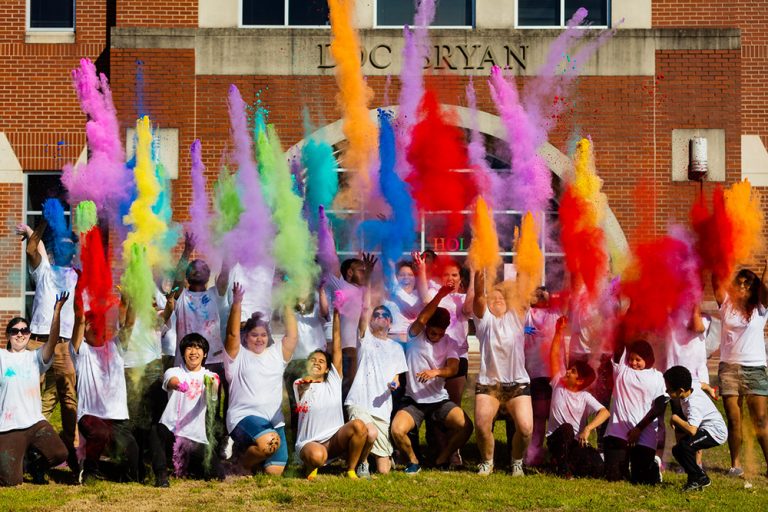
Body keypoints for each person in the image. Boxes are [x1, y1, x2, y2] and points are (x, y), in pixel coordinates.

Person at [390, 287, 474, 474]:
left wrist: (435, 372)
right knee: (397, 430)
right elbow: (421, 318)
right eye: (433, 332)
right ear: (427, 327)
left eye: (440, 333)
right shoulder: (415, 335)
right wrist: (440, 295)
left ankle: (442, 458)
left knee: (466, 426)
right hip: (413, 401)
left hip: (438, 400)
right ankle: (413, 462)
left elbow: (453, 368)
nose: (436, 337)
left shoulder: (450, 342)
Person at [18, 220, 79, 472]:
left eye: (69, 247)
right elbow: (32, 248)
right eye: (60, 246)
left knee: (68, 400)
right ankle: (28, 450)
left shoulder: (77, 274)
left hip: (63, 345)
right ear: (53, 250)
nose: (65, 250)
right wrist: (42, 223)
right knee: (30, 396)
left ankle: (71, 452)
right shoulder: (43, 269)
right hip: (37, 342)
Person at [224, 283, 297, 475]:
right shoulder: (237, 356)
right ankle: (240, 465)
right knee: (269, 444)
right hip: (243, 417)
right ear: (245, 337)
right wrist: (237, 303)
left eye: (263, 335)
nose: (259, 339)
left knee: (274, 473)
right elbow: (231, 333)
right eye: (254, 335)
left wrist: (287, 301)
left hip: (273, 421)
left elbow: (292, 336)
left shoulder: (276, 354)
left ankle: (248, 457)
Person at [70, 290, 139, 483]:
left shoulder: (115, 346)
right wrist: (80, 295)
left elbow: (130, 323)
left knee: (132, 451)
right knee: (100, 433)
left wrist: (131, 300)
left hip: (116, 415)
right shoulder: (80, 350)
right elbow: (79, 321)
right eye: (91, 324)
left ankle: (117, 473)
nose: (96, 327)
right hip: (89, 414)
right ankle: (89, 470)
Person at [294, 310, 368, 480]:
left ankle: (350, 469)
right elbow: (302, 386)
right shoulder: (299, 383)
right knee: (317, 456)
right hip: (310, 443)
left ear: (328, 368)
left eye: (321, 362)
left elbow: (337, 349)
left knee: (359, 425)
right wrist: (306, 382)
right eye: (312, 361)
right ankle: (311, 465)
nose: (317, 363)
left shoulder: (334, 381)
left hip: (335, 440)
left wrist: (336, 316)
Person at [472, 271, 532, 477]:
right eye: (492, 298)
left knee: (525, 429)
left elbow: (523, 296)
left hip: (517, 384)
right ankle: (487, 462)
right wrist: (479, 284)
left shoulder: (516, 318)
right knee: (481, 425)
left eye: (501, 298)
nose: (496, 300)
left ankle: (516, 462)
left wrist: (523, 272)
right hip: (489, 384)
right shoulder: (484, 321)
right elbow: (479, 298)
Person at [0, 307, 69, 486]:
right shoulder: (2, 358)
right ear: (8, 335)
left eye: (24, 330)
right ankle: (20, 459)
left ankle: (35, 465)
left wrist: (56, 313)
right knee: (11, 482)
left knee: (60, 453)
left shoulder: (35, 358)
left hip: (35, 423)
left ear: (29, 334)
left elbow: (52, 341)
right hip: (9, 426)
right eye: (15, 331)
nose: (20, 334)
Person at [712, 266, 768, 477]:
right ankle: (735, 464)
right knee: (734, 420)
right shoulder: (726, 303)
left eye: (748, 283)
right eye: (740, 283)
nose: (743, 287)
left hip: (755, 369)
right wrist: (719, 251)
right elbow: (716, 277)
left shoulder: (761, 307)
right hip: (729, 370)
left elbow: (766, 283)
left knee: (761, 420)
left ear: (755, 288)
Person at [345, 298, 408, 477]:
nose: (380, 317)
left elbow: (397, 377)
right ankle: (362, 463)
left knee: (384, 470)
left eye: (385, 315)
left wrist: (394, 384)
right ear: (371, 320)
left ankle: (382, 457)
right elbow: (364, 312)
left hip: (382, 408)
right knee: (370, 433)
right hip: (359, 401)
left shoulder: (397, 348)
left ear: (390, 322)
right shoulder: (365, 340)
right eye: (376, 315)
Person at [167, 233, 230, 411]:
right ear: (187, 275)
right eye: (193, 268)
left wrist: (227, 251)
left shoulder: (214, 295)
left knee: (213, 405)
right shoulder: (182, 297)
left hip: (212, 360)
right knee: (186, 404)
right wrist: (187, 251)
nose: (197, 270)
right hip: (186, 361)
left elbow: (225, 275)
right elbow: (176, 283)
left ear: (208, 275)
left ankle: (217, 436)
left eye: (202, 268)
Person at [150, 333, 221, 487]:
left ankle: (188, 469)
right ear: (183, 353)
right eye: (189, 348)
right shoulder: (175, 371)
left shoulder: (210, 375)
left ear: (205, 354)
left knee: (216, 474)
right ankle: (161, 476)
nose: (193, 352)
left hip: (195, 439)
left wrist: (211, 385)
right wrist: (178, 385)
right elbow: (170, 381)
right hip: (172, 434)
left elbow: (214, 387)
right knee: (156, 431)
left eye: (198, 348)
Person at [545, 317, 610, 478]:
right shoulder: (558, 383)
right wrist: (559, 332)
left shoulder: (585, 397)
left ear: (580, 380)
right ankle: (563, 469)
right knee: (567, 428)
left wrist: (588, 429)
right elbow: (554, 355)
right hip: (556, 440)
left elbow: (605, 412)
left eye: (572, 371)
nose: (567, 372)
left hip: (575, 442)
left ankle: (565, 463)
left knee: (598, 467)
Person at [603, 338, 667, 484]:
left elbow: (660, 406)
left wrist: (638, 429)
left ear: (648, 359)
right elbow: (619, 348)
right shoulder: (621, 370)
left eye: (638, 360)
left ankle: (654, 467)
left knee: (642, 480)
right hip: (617, 434)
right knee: (614, 477)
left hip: (644, 434)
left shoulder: (657, 377)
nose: (633, 363)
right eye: (631, 359)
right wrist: (626, 329)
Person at [664, 365, 728, 492]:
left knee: (685, 447)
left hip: (716, 432)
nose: (666, 391)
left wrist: (675, 418)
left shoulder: (693, 405)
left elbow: (692, 430)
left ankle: (700, 477)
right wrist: (710, 390)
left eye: (669, 390)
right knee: (678, 450)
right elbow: (702, 384)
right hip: (705, 428)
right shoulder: (691, 385)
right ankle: (696, 478)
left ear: (681, 390)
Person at [284, 286, 329, 441]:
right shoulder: (289, 305)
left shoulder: (317, 301)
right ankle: (299, 443)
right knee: (298, 406)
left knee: (318, 404)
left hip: (316, 363)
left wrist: (321, 289)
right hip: (296, 362)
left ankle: (319, 440)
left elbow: (325, 312)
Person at [524, 286, 562, 466]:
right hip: (536, 373)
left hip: (555, 373)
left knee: (556, 416)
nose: (540, 296)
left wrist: (550, 296)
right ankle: (533, 456)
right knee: (538, 416)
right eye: (537, 293)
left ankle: (556, 455)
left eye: (543, 294)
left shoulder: (556, 312)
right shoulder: (526, 313)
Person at [384, 260, 422, 344]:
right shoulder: (387, 298)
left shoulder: (419, 298)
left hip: (413, 345)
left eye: (410, 275)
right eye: (401, 275)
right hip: (391, 344)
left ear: (415, 278)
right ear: (396, 277)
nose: (406, 277)